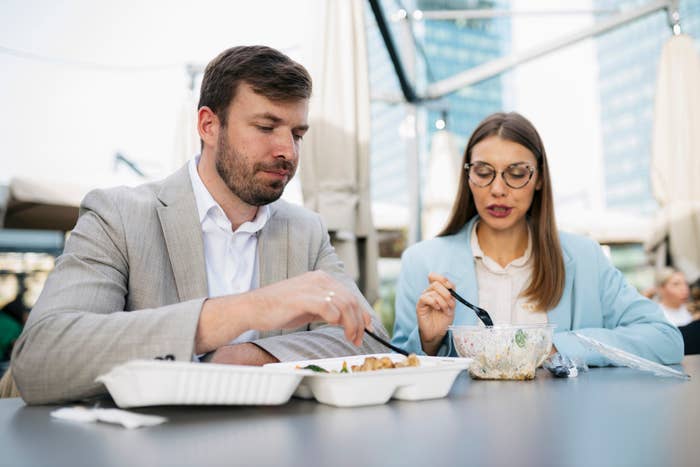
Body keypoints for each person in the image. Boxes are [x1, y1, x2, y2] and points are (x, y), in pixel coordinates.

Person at [11, 45, 390, 405]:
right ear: (208, 126)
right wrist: (247, 310)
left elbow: (372, 340)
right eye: (265, 127)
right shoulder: (119, 215)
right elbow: (42, 358)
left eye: (297, 134)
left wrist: (254, 355)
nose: (287, 151)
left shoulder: (306, 231)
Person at [391, 112, 683, 366]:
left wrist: (556, 347)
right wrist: (429, 341)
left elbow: (665, 339)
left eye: (516, 174)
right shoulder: (421, 262)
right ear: (468, 177)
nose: (498, 189)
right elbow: (397, 364)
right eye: (483, 172)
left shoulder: (585, 259)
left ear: (540, 179)